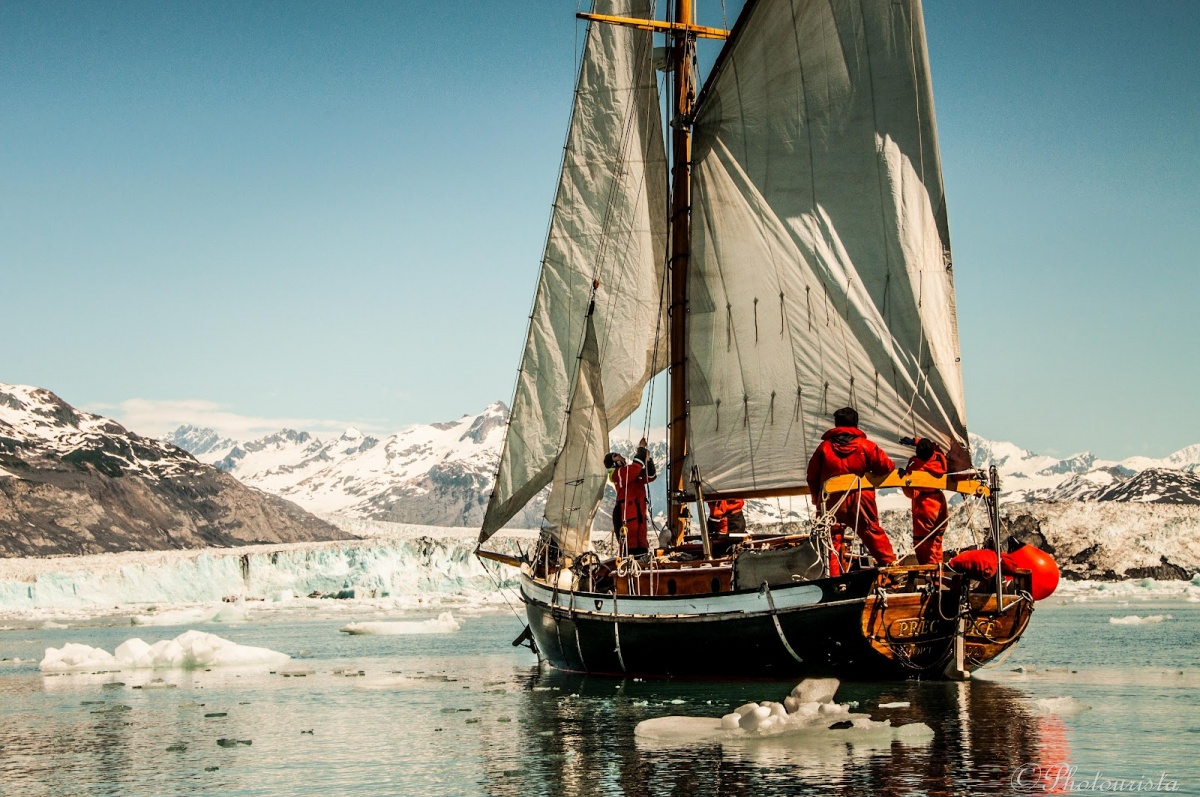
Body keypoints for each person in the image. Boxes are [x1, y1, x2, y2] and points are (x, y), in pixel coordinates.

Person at [806, 407, 897, 575]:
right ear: (856, 423)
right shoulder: (866, 446)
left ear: (836, 424)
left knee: (830, 541)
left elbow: (812, 476)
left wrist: (816, 500)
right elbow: (886, 467)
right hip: (861, 499)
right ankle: (892, 570)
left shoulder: (824, 448)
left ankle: (832, 580)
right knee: (871, 530)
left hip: (831, 502)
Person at [900, 437, 949, 565]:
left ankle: (933, 575)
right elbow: (934, 445)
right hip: (938, 503)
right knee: (935, 541)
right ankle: (937, 576)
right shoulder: (940, 460)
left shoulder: (916, 466)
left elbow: (911, 492)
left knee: (923, 542)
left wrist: (903, 479)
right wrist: (915, 441)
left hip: (923, 507)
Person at [605, 437, 657, 556]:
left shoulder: (630, 475)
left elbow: (651, 476)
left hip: (640, 531)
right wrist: (641, 449)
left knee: (641, 556)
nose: (620, 455)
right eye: (616, 456)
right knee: (631, 559)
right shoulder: (618, 474)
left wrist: (648, 461)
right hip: (629, 532)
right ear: (614, 463)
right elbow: (636, 467)